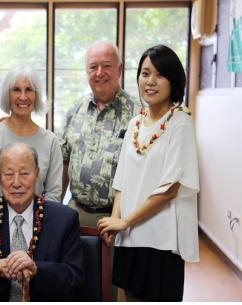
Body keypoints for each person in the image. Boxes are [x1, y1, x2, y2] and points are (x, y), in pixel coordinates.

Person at [98, 45, 200, 301]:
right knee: (126, 298)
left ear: (173, 80)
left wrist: (126, 221)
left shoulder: (180, 123)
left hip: (160, 241)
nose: (150, 81)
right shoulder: (135, 123)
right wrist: (114, 221)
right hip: (128, 236)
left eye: (159, 74)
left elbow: (170, 188)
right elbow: (122, 179)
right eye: (145, 73)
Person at [0, 142, 84, 301]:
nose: (16, 183)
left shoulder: (64, 219)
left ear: (37, 174)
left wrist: (37, 269)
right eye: (8, 174)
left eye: (24, 173)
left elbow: (75, 277)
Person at [61, 41, 139, 227]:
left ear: (119, 69)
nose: (99, 73)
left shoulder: (138, 113)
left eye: (107, 66)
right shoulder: (75, 109)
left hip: (118, 217)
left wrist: (120, 218)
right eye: (93, 67)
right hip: (75, 211)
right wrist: (56, 207)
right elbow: (64, 161)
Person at [0, 64, 62, 205]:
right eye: (16, 90)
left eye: (29, 90)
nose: (23, 97)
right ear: (7, 95)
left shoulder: (51, 142)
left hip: (38, 225)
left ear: (37, 95)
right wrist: (0, 221)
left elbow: (54, 194)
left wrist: (32, 221)